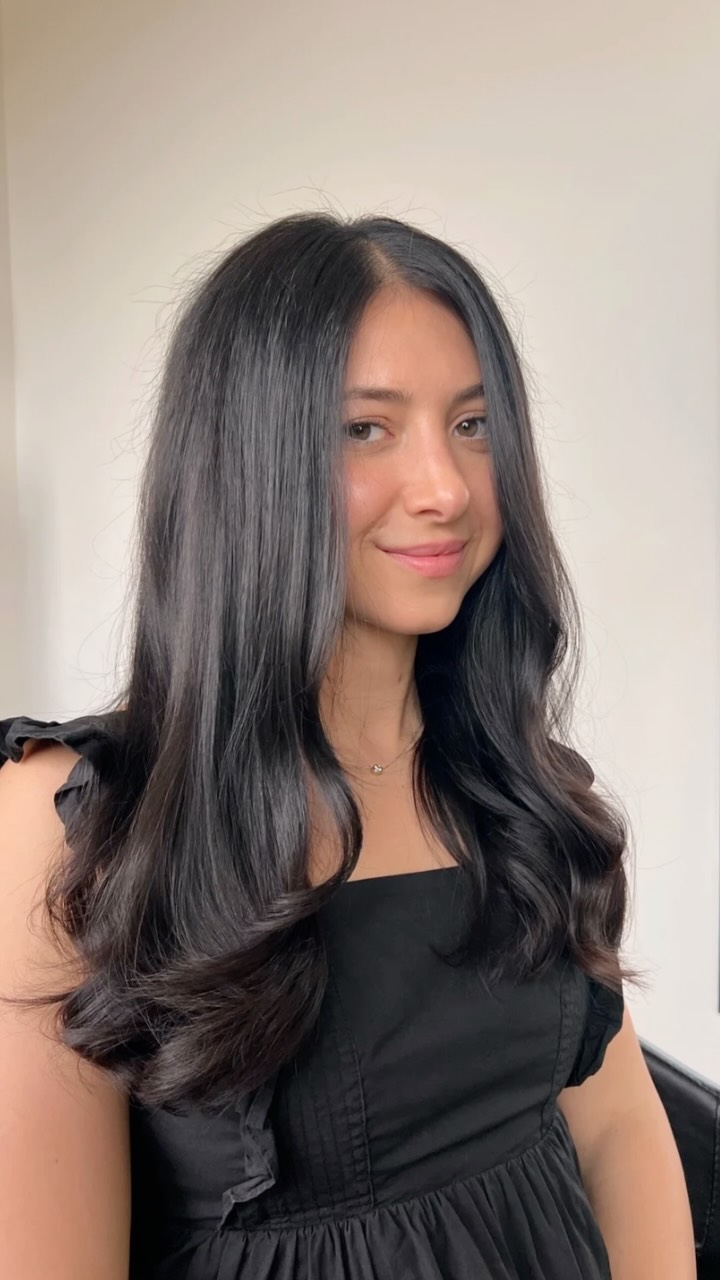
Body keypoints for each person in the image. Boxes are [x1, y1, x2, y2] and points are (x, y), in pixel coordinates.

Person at [0, 211, 695, 1280]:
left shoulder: (519, 790)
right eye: (365, 429)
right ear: (246, 462)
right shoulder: (77, 822)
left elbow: (612, 1126)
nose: (446, 487)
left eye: (473, 424)